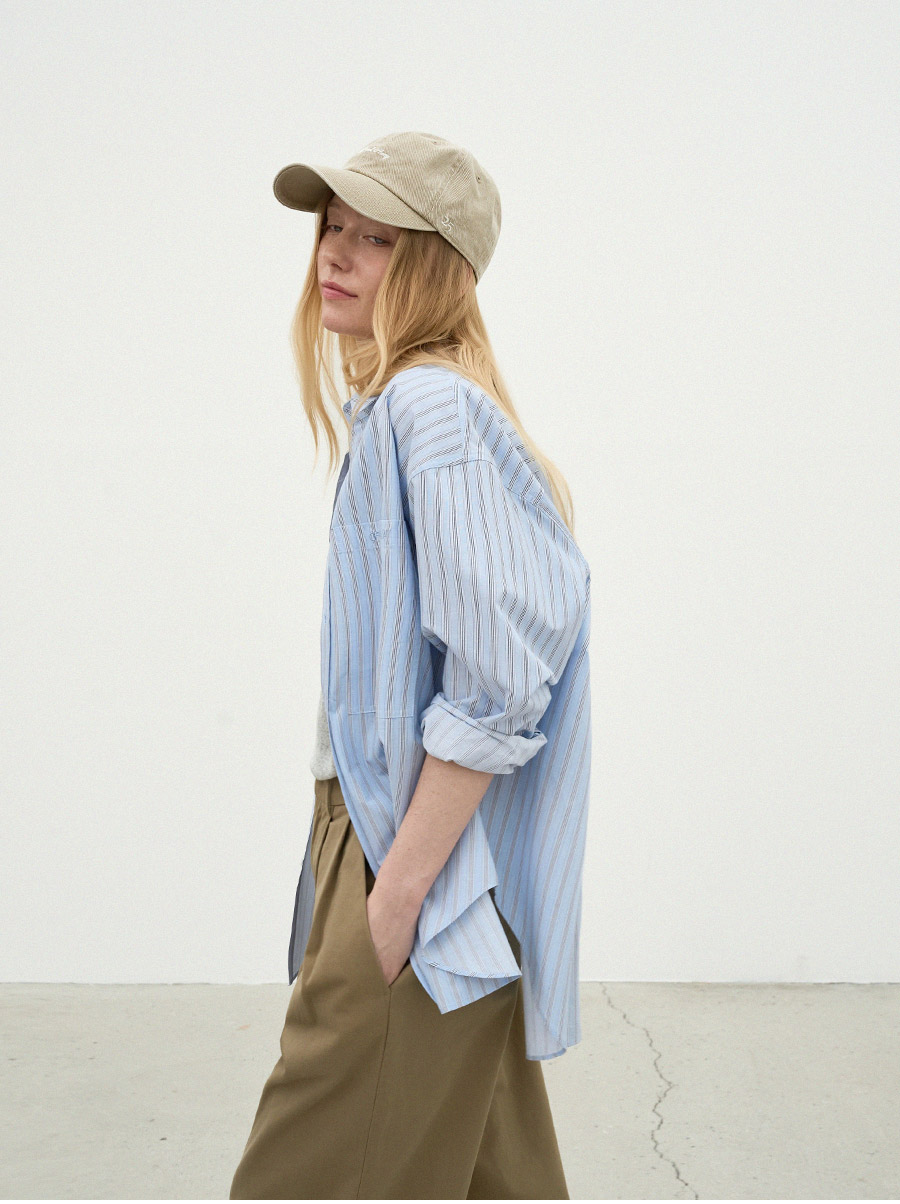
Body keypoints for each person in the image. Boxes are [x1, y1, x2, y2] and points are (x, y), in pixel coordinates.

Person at [229, 130, 591, 1200]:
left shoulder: (431, 411)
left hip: (409, 850)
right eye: (332, 229)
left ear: (438, 264)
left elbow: (497, 679)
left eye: (375, 238)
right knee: (496, 1179)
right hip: (391, 837)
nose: (334, 255)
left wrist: (395, 897)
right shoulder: (399, 409)